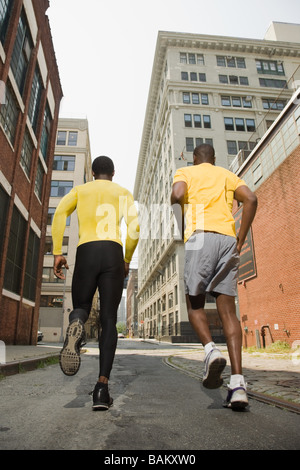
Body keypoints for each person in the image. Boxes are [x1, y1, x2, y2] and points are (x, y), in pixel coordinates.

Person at [171, 144, 257, 410]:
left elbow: (177, 195)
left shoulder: (185, 171)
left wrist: (182, 226)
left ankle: (211, 350)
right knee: (228, 311)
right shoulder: (226, 175)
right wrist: (240, 239)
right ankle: (239, 385)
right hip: (228, 240)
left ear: (195, 159)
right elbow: (251, 199)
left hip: (200, 236)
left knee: (194, 303)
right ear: (214, 158)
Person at [52, 156, 139, 410]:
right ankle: (102, 389)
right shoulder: (123, 193)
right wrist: (126, 259)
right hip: (112, 251)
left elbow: (59, 213)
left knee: (81, 305)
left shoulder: (81, 190)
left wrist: (58, 251)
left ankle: (77, 324)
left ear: (91, 173)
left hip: (87, 251)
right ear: (113, 172)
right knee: (109, 319)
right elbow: (134, 228)